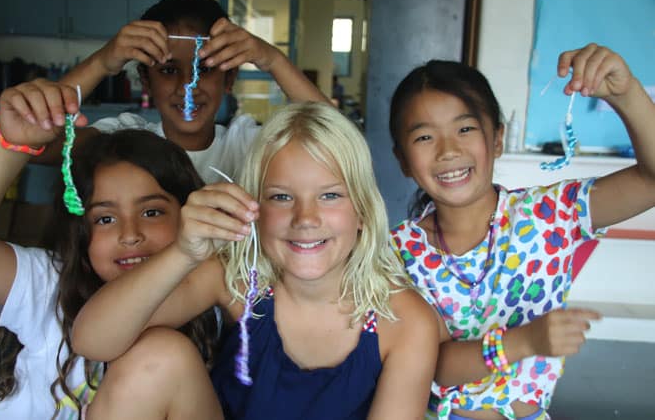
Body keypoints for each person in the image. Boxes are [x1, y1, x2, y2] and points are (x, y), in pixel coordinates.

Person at [71, 102, 439, 420]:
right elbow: (93, 340)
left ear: (362, 211)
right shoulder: (238, 278)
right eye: (281, 197)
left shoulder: (405, 323)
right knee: (156, 355)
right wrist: (184, 251)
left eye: (329, 195)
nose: (305, 218)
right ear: (254, 211)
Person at [388, 43, 655, 420]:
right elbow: (436, 363)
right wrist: (524, 341)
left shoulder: (550, 215)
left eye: (465, 128)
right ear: (402, 159)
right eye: (424, 137)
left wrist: (627, 94)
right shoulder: (400, 252)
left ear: (496, 139)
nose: (448, 150)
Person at [0, 82, 219, 418]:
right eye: (105, 218)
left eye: (151, 212)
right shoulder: (51, 282)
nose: (130, 234)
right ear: (80, 231)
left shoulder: (206, 292)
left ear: (188, 215)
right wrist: (11, 144)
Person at [21, 0, 329, 184]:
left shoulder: (247, 146)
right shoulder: (124, 140)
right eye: (169, 71)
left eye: (204, 70)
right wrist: (104, 60)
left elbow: (337, 139)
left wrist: (273, 59)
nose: (188, 86)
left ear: (230, 78)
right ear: (145, 80)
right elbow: (32, 142)